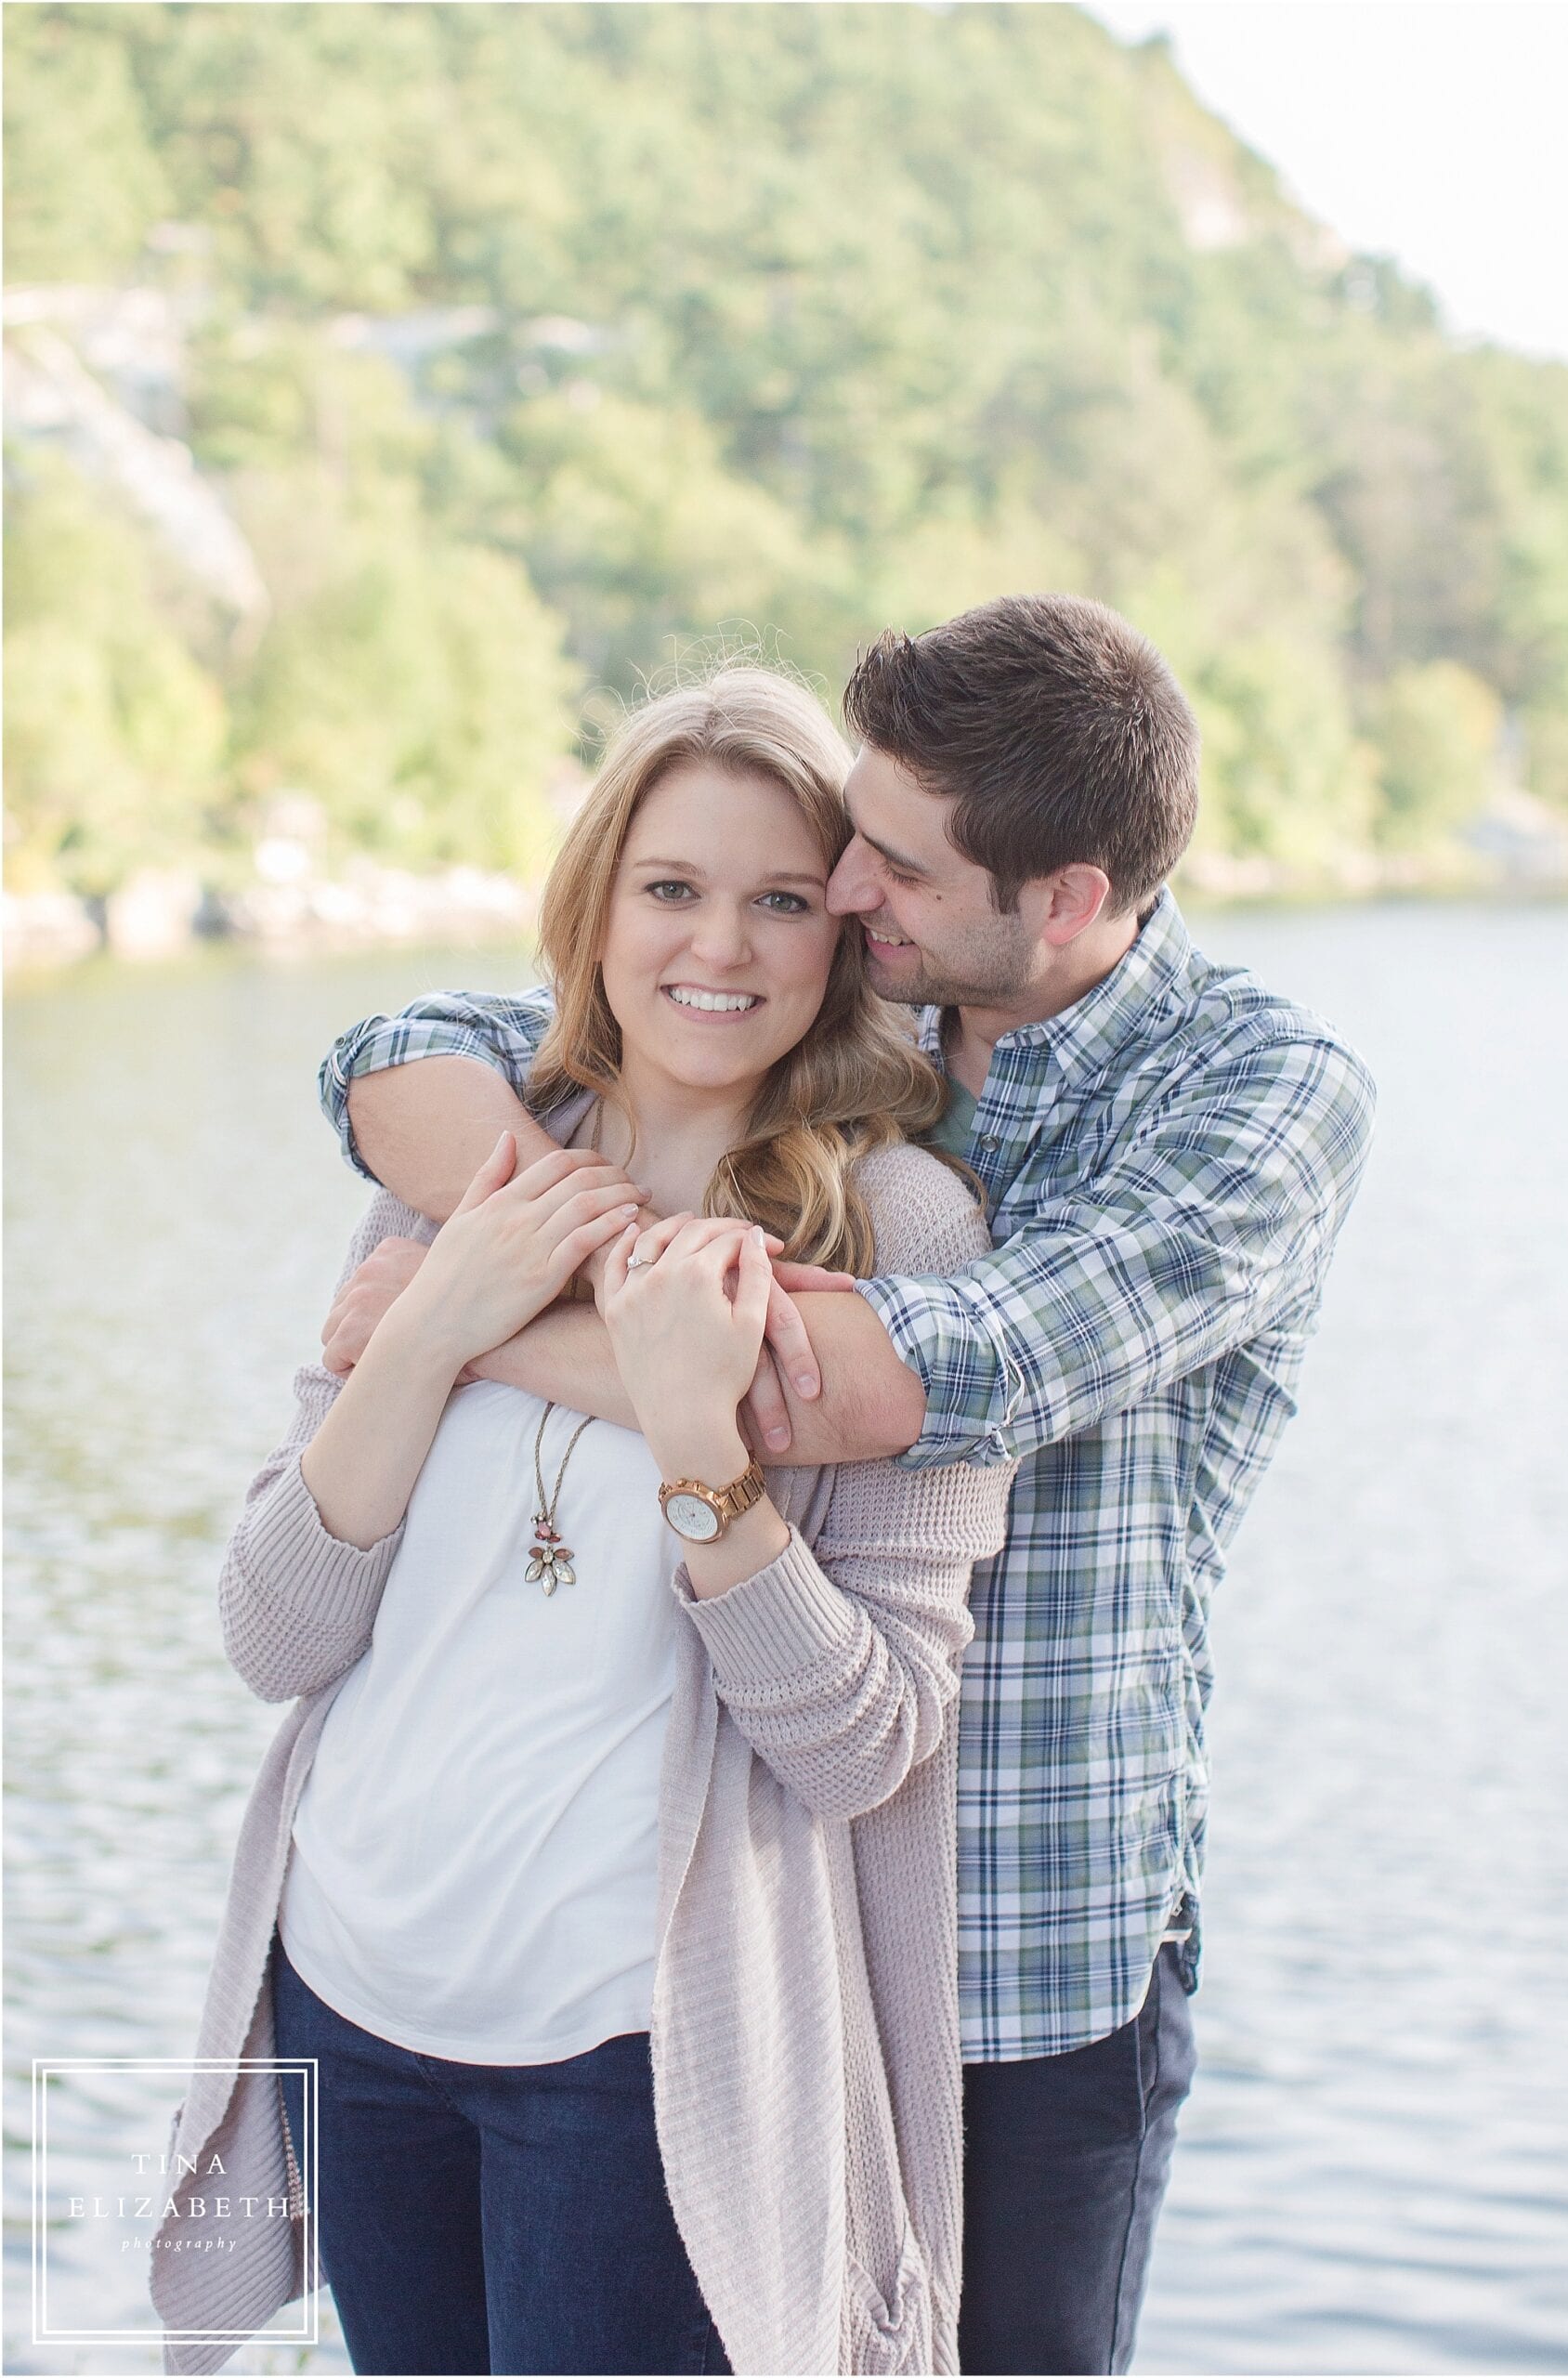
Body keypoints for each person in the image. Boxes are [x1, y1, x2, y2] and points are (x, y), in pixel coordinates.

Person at [318, 594, 1378, 2378]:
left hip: (1009, 1944)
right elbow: (394, 1061)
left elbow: (894, 1385)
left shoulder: (1256, 1103)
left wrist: (460, 1320)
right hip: (722, 1944)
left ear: (1060, 900)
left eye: (888, 862)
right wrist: (539, 1257)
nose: (849, 883)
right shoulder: (848, 1026)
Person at [150, 668, 1014, 2378]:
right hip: (353, 1997)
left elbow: (866, 1740)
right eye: (673, 889)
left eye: (781, 899)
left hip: (636, 2056)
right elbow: (273, 1634)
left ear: (841, 933)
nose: (725, 945)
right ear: (595, 907)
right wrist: (438, 1315)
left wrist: (700, 1436)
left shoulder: (897, 1238)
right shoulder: (466, 1164)